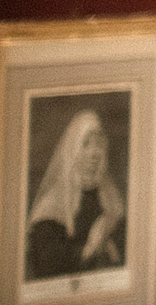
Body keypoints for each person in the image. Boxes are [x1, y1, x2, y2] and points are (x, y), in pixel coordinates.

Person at [24, 109, 125, 280]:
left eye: (99, 144)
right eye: (86, 144)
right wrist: (90, 249)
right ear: (73, 151)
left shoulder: (111, 198)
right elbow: (46, 266)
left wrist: (109, 245)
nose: (94, 153)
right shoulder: (52, 204)